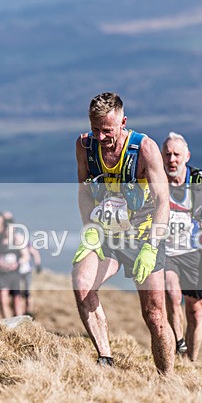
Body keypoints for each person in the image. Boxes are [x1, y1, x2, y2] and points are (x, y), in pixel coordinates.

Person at [72, 92, 174, 374]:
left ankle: (167, 380)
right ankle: (105, 358)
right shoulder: (84, 146)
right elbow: (83, 191)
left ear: (123, 122)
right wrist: (89, 229)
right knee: (82, 285)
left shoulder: (145, 149)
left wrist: (152, 246)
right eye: (96, 129)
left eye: (108, 130)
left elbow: (163, 202)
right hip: (107, 236)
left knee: (154, 316)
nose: (101, 137)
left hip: (144, 237)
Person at [160, 132, 202, 361]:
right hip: (165, 253)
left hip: (194, 254)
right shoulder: (153, 179)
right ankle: (178, 343)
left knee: (196, 313)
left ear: (186, 156)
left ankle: (190, 363)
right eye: (167, 154)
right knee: (172, 293)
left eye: (177, 155)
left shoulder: (200, 182)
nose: (172, 160)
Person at [0, 214, 29, 318]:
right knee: (3, 299)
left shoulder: (17, 240)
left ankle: (19, 322)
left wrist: (17, 263)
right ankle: (7, 323)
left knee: (17, 300)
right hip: (2, 274)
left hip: (15, 273)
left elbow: (26, 256)